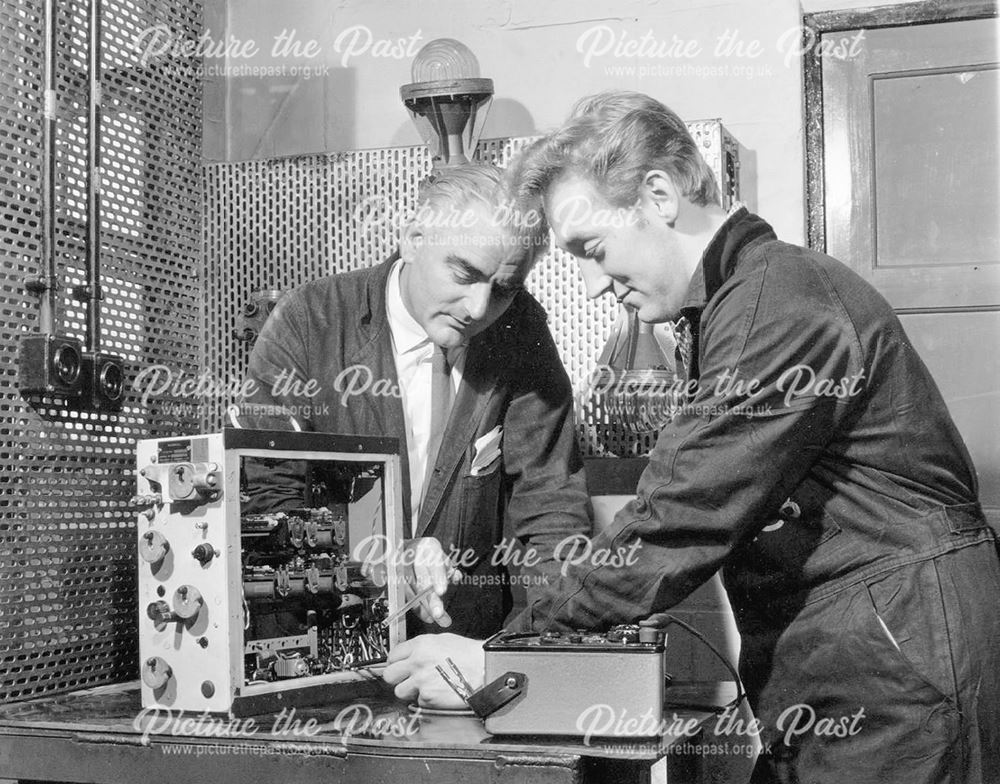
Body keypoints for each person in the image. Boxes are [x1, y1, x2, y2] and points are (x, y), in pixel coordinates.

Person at [383, 92, 1000, 783]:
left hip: (894, 672)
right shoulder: (742, 301)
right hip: (863, 661)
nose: (590, 285)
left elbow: (681, 515)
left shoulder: (780, 303)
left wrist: (507, 658)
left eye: (593, 249)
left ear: (658, 195)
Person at [238, 163, 592, 639]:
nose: (478, 308)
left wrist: (556, 641)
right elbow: (266, 503)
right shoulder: (308, 322)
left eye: (505, 289)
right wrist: (378, 553)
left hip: (461, 648)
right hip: (323, 642)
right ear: (413, 239)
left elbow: (550, 506)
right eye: (464, 273)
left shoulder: (521, 331)